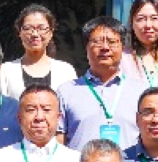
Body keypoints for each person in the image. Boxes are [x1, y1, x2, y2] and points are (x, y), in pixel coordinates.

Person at [59, 15, 137, 152]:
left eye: (112, 42)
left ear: (122, 47)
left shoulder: (140, 92)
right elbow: (58, 143)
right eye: (97, 42)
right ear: (86, 47)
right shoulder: (66, 92)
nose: (105, 47)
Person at [0, 4, 77, 98]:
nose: (34, 34)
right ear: (19, 32)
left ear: (51, 33)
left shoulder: (65, 71)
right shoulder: (6, 71)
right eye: (28, 28)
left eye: (41, 28)